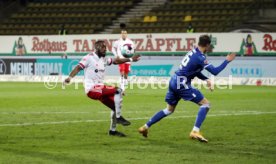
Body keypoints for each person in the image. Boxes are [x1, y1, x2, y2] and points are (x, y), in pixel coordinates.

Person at [138, 35, 236, 143]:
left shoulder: (192, 51)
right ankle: (195, 131)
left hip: (174, 80)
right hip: (182, 84)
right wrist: (227, 61)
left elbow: (195, 71)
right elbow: (215, 71)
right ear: (207, 45)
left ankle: (145, 127)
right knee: (206, 104)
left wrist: (206, 79)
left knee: (169, 110)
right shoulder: (200, 57)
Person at [64, 40, 140, 137]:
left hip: (100, 88)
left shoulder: (103, 59)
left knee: (115, 107)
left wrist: (131, 59)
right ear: (96, 48)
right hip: (92, 89)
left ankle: (112, 131)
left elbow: (116, 61)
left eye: (105, 47)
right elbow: (78, 67)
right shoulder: (89, 58)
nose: (105, 49)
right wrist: (70, 78)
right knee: (118, 90)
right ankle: (119, 117)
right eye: (103, 47)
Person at [112, 23, 135, 92]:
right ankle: (122, 89)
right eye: (122, 33)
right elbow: (113, 49)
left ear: (127, 34)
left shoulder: (130, 42)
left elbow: (133, 50)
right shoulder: (117, 42)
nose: (123, 34)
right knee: (122, 73)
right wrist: (116, 56)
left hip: (127, 60)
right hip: (121, 60)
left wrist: (131, 58)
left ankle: (123, 86)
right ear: (121, 34)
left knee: (125, 74)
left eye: (125, 33)